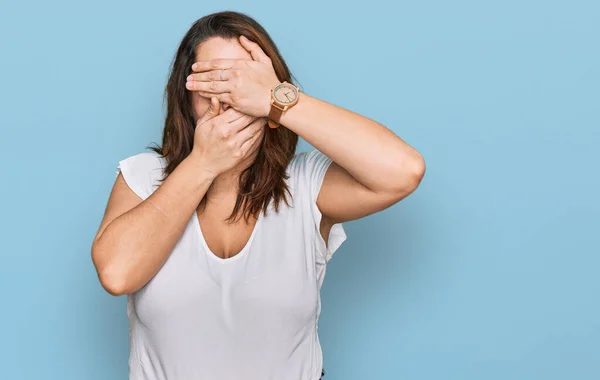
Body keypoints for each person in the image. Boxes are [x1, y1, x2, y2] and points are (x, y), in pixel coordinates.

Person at [91, 10, 425, 380]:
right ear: (186, 100)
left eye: (242, 83)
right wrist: (203, 163)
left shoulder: (307, 184)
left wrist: (281, 100)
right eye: (212, 83)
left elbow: (402, 171)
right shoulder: (144, 176)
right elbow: (117, 274)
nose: (228, 100)